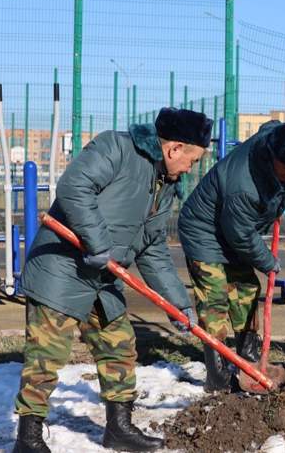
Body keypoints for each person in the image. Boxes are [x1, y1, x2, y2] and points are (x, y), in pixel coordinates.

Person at [12, 108, 212, 453]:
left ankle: (118, 428)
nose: (190, 168)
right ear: (174, 148)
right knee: (46, 356)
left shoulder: (164, 186)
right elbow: (74, 187)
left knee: (119, 347)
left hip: (104, 279)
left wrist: (178, 303)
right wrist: (98, 242)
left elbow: (152, 248)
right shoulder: (116, 148)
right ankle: (28, 438)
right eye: (192, 160)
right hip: (62, 267)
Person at [177, 120, 285, 391]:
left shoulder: (276, 140)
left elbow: (271, 125)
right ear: (273, 155)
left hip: (233, 230)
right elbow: (240, 234)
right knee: (215, 298)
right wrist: (268, 261)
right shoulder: (244, 184)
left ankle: (249, 359)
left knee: (246, 291)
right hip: (205, 232)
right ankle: (217, 376)